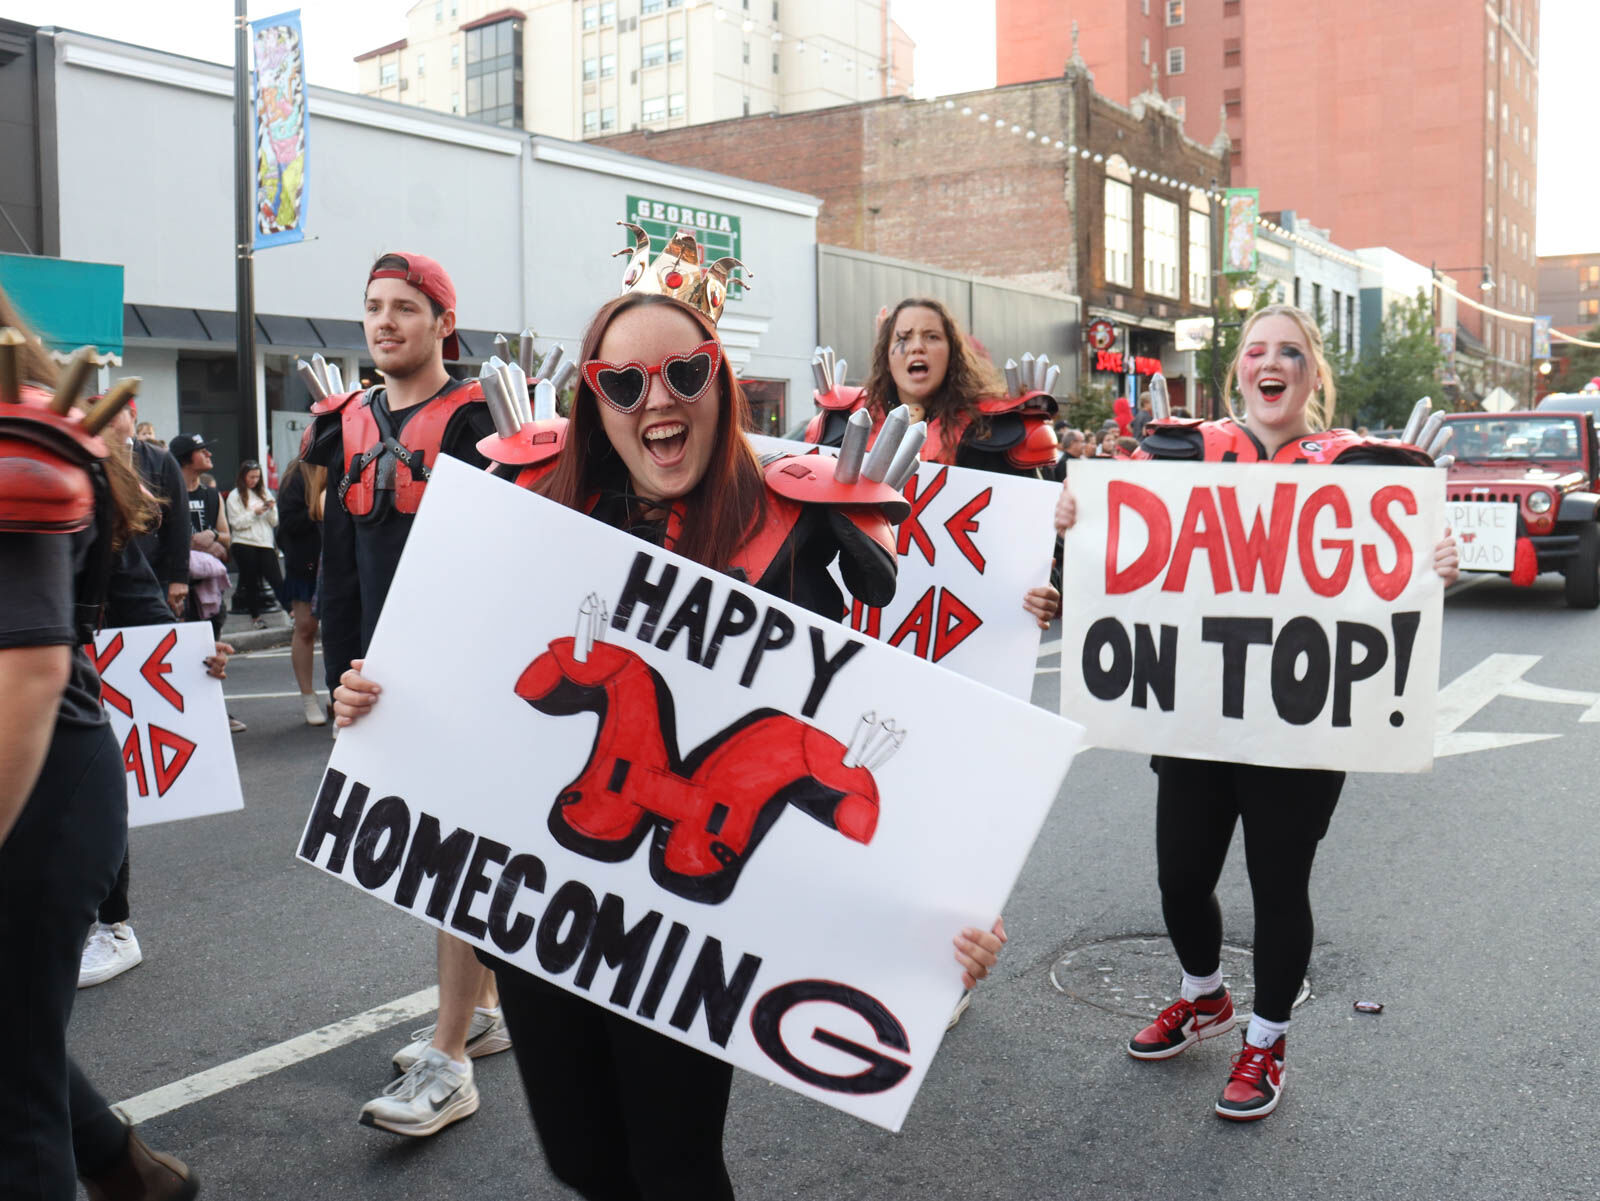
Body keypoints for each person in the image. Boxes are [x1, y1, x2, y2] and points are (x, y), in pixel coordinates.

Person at [334, 238, 1009, 1198]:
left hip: (693, 915)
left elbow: (854, 726)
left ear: (721, 385)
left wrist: (940, 904)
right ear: (594, 401)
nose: (657, 399)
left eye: (684, 373)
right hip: (548, 900)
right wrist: (375, 701)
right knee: (581, 1162)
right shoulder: (530, 506)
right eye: (624, 381)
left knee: (676, 1166)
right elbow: (470, 682)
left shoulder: (793, 529)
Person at [1054, 304, 1459, 1122]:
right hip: (1199, 713)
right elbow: (1121, 549)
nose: (1270, 364)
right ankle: (1204, 996)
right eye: (1255, 352)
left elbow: (1393, 570)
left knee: (1280, 887)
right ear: (1238, 370)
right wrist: (1076, 517)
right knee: (1179, 877)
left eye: (1291, 352)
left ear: (1313, 374)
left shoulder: (1355, 468)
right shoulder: (1188, 453)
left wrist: (1434, 558)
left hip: (1299, 724)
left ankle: (1267, 1037)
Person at [0, 302, 207, 1200]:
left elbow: (31, 670)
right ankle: (133, 1173)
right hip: (42, 767)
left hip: (38, 781)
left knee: (10, 1103)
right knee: (12, 1049)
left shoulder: (21, 441)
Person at [303, 251, 509, 1137]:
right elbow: (338, 567)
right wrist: (348, 675)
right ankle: (489, 1006)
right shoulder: (346, 421)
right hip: (390, 675)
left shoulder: (479, 420)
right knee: (441, 862)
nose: (384, 322)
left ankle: (452, 1056)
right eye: (373, 307)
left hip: (471, 671)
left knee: (452, 862)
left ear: (441, 324)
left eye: (404, 309)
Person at [275, 456, 327, 726]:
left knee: (340, 629)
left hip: (338, 561)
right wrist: (316, 508)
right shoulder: (296, 475)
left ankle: (337, 690)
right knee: (305, 628)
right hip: (306, 564)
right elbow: (287, 523)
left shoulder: (343, 460)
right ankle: (308, 698)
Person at [223, 460, 287, 629]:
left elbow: (274, 522)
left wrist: (270, 509)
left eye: (257, 477)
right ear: (243, 476)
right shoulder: (235, 496)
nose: (254, 480)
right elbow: (236, 523)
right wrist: (254, 513)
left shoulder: (264, 493)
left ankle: (291, 612)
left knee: (277, 580)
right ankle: (255, 617)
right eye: (251, 477)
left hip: (265, 542)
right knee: (250, 582)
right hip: (244, 543)